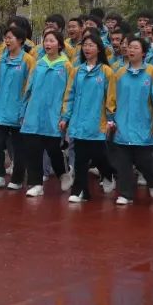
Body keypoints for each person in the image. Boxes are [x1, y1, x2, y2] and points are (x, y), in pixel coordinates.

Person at [105, 37, 153, 205]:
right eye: (129, 47)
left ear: (144, 53)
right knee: (123, 161)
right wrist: (111, 117)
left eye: (135, 47)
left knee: (144, 160)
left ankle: (152, 181)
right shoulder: (120, 73)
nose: (131, 50)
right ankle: (125, 194)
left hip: (144, 124)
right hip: (122, 124)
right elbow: (111, 97)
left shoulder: (152, 72)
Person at [19, 29, 74, 197]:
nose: (48, 44)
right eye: (46, 40)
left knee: (52, 148)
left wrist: (65, 116)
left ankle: (63, 172)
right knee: (32, 149)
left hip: (54, 114)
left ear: (60, 44)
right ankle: (36, 184)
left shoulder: (66, 66)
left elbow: (69, 93)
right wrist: (23, 111)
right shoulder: (39, 63)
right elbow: (28, 88)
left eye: (51, 41)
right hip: (34, 113)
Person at [67, 33, 117, 202]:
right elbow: (70, 95)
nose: (87, 48)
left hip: (98, 121)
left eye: (91, 45)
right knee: (80, 156)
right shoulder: (77, 71)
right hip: (79, 120)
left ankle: (108, 173)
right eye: (85, 45)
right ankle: (79, 191)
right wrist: (65, 117)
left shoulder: (106, 71)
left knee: (98, 155)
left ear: (98, 49)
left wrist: (110, 118)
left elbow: (110, 97)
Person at [0, 25, 36, 190]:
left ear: (20, 40)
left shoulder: (28, 60)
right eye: (5, 38)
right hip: (0, 108)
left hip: (18, 110)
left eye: (10, 38)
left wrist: (25, 108)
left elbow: (30, 86)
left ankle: (17, 178)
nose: (7, 41)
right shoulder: (1, 58)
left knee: (18, 147)